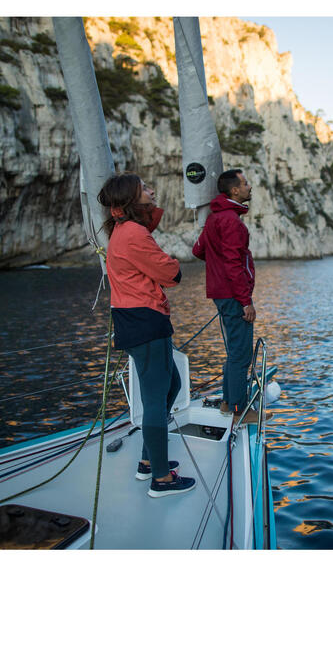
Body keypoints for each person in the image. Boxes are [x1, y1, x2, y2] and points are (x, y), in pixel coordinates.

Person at [97, 172, 196, 498]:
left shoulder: (128, 231)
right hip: (144, 320)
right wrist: (171, 263)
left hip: (138, 319)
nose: (152, 190)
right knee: (155, 398)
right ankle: (161, 479)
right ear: (130, 199)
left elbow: (154, 254)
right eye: (145, 188)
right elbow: (171, 274)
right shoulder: (133, 235)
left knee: (172, 386)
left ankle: (147, 460)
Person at [192, 169, 257, 424]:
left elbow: (199, 250)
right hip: (233, 295)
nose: (249, 187)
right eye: (245, 183)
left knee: (234, 351)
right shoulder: (230, 220)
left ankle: (229, 403)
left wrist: (216, 265)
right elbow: (233, 263)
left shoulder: (214, 218)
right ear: (234, 191)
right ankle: (241, 410)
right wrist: (245, 301)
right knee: (241, 353)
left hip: (222, 293)